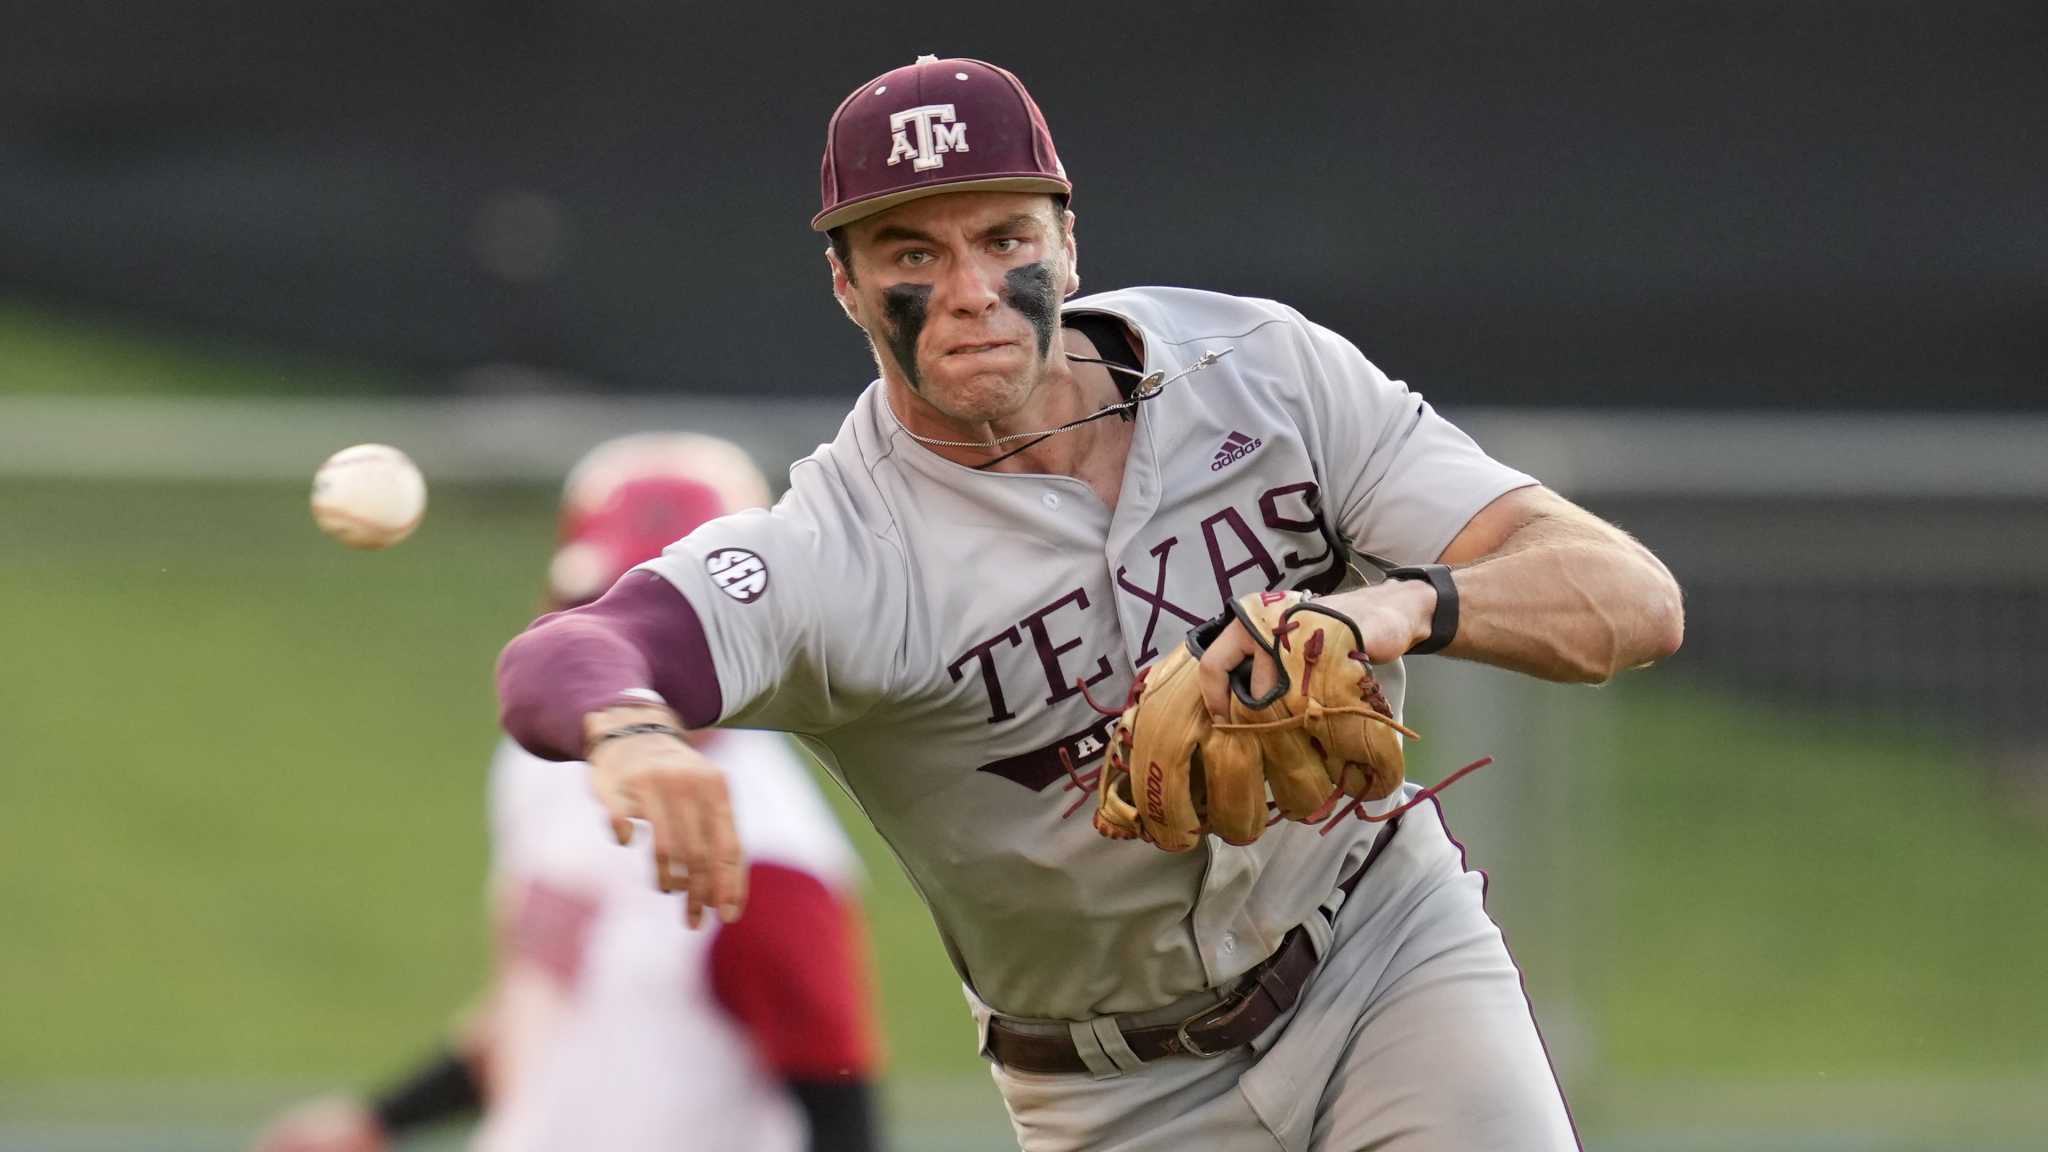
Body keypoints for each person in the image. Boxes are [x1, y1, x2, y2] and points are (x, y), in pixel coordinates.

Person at [496, 55, 1684, 1152]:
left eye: (1002, 235)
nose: (967, 290)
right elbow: (580, 650)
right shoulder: (835, 554)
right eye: (909, 254)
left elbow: (1627, 600)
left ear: (1067, 243)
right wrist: (636, 734)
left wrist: (1388, 612)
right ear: (846, 285)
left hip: (1383, 952)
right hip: (1118, 1088)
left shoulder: (1262, 375)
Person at [255, 434, 881, 1152]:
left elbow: (841, 1108)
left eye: (665, 619)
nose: (617, 636)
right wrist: (378, 1123)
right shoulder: (546, 769)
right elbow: (547, 1001)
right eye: (595, 602)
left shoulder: (769, 855)